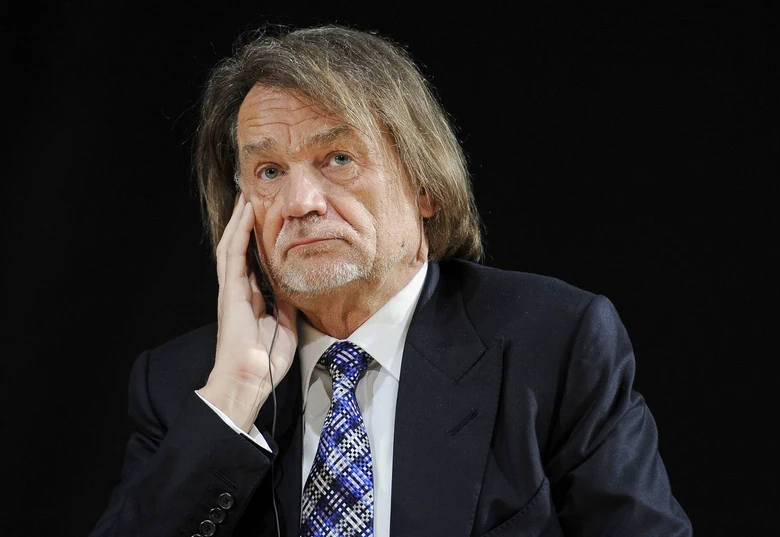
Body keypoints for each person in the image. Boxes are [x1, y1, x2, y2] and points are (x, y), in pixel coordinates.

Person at [90, 24, 692, 537]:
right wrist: (234, 395)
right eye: (269, 171)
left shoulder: (553, 344)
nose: (300, 202)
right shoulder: (184, 388)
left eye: (338, 159)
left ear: (425, 186)